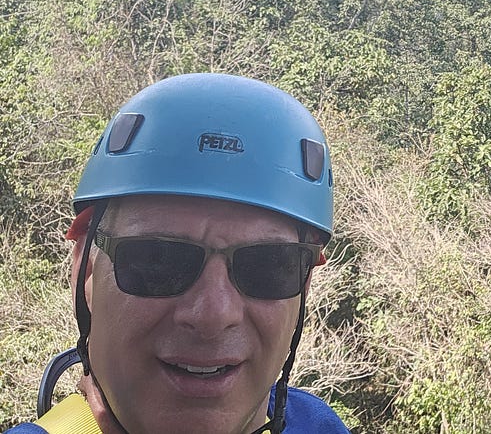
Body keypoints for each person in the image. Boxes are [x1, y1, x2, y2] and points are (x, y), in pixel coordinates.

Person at [5, 73, 351, 434]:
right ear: (86, 270)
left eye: (267, 266)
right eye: (158, 261)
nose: (213, 316)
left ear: (305, 284)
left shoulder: (316, 425)